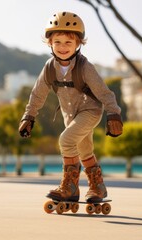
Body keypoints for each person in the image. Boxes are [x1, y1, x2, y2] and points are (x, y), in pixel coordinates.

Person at [19, 11, 123, 203]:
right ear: (50, 43)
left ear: (78, 44)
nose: (63, 47)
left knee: (66, 140)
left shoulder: (85, 67)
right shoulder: (49, 68)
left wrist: (114, 114)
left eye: (68, 42)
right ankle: (98, 188)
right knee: (84, 151)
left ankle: (70, 187)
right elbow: (38, 93)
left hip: (90, 112)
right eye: (57, 42)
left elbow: (104, 93)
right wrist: (29, 116)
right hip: (71, 117)